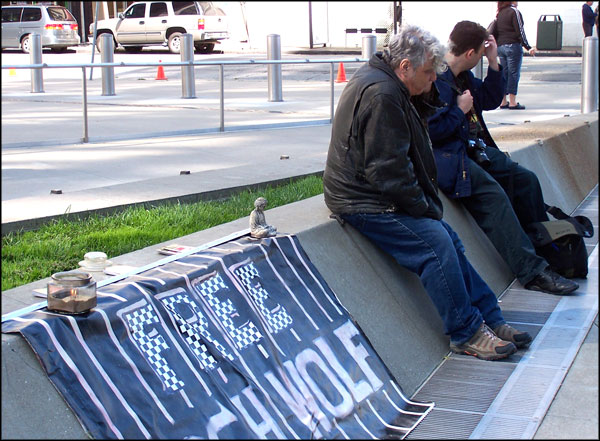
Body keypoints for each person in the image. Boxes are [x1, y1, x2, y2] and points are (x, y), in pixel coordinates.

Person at [323, 24, 532, 361]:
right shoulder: (383, 95)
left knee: (449, 239)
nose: (434, 79)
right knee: (436, 244)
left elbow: (400, 155)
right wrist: (425, 208)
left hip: (376, 190)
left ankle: (490, 318)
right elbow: (387, 172)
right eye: (428, 73)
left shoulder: (394, 81)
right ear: (405, 67)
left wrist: (427, 88)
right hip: (361, 200)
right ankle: (466, 333)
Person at [427, 21, 578, 296]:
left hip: (471, 149)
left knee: (526, 180)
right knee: (493, 196)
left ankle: (547, 249)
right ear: (471, 53)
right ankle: (532, 271)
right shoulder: (436, 81)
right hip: (448, 159)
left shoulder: (461, 76)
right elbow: (431, 132)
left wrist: (494, 62)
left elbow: (489, 99)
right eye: (481, 54)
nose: (481, 58)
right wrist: (460, 111)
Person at [492, 1, 535, 110]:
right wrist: (528, 47)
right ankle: (512, 102)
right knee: (513, 73)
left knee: (504, 73)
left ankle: (503, 101)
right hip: (513, 46)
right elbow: (520, 31)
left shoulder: (500, 13)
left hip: (501, 47)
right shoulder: (514, 12)